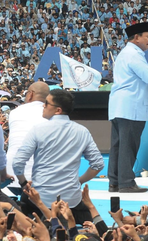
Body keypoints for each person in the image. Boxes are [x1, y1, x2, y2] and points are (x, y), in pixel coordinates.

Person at [13, 89, 104, 224]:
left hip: (41, 199)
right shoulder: (82, 131)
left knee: (22, 202)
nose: (43, 106)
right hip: (71, 200)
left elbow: (17, 163)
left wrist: (23, 183)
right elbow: (98, 164)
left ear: (58, 110)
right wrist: (78, 181)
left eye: (46, 103)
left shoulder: (38, 130)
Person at [108, 22, 148, 193]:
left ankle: (115, 182)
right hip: (130, 106)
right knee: (128, 146)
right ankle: (126, 183)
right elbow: (147, 74)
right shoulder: (134, 54)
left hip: (119, 105)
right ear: (136, 37)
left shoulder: (125, 53)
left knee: (118, 145)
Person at [6, 81, 50, 194]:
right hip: (41, 179)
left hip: (12, 176)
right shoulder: (51, 115)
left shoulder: (15, 112)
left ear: (30, 94)